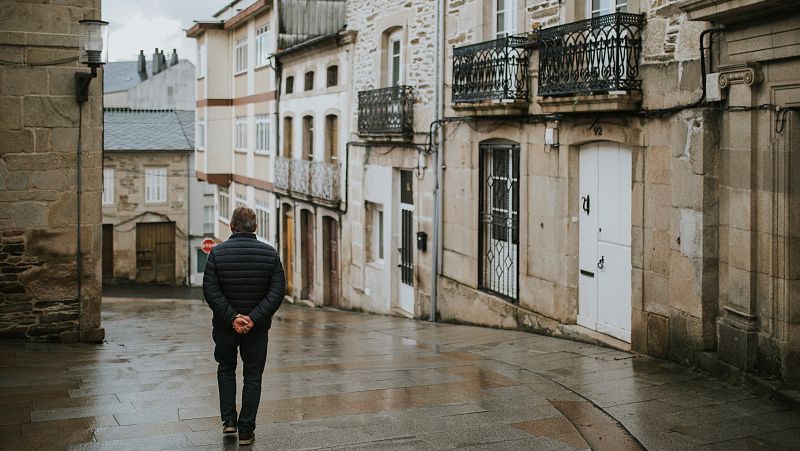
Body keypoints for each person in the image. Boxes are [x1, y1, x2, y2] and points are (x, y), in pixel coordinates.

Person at [203, 206, 285, 446]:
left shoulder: (217, 254)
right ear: (256, 228)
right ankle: (246, 430)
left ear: (231, 226)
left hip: (225, 327)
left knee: (226, 368)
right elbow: (277, 291)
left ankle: (229, 421)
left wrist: (232, 317)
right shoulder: (270, 254)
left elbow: (210, 290)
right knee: (253, 376)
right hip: (257, 329)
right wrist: (253, 318)